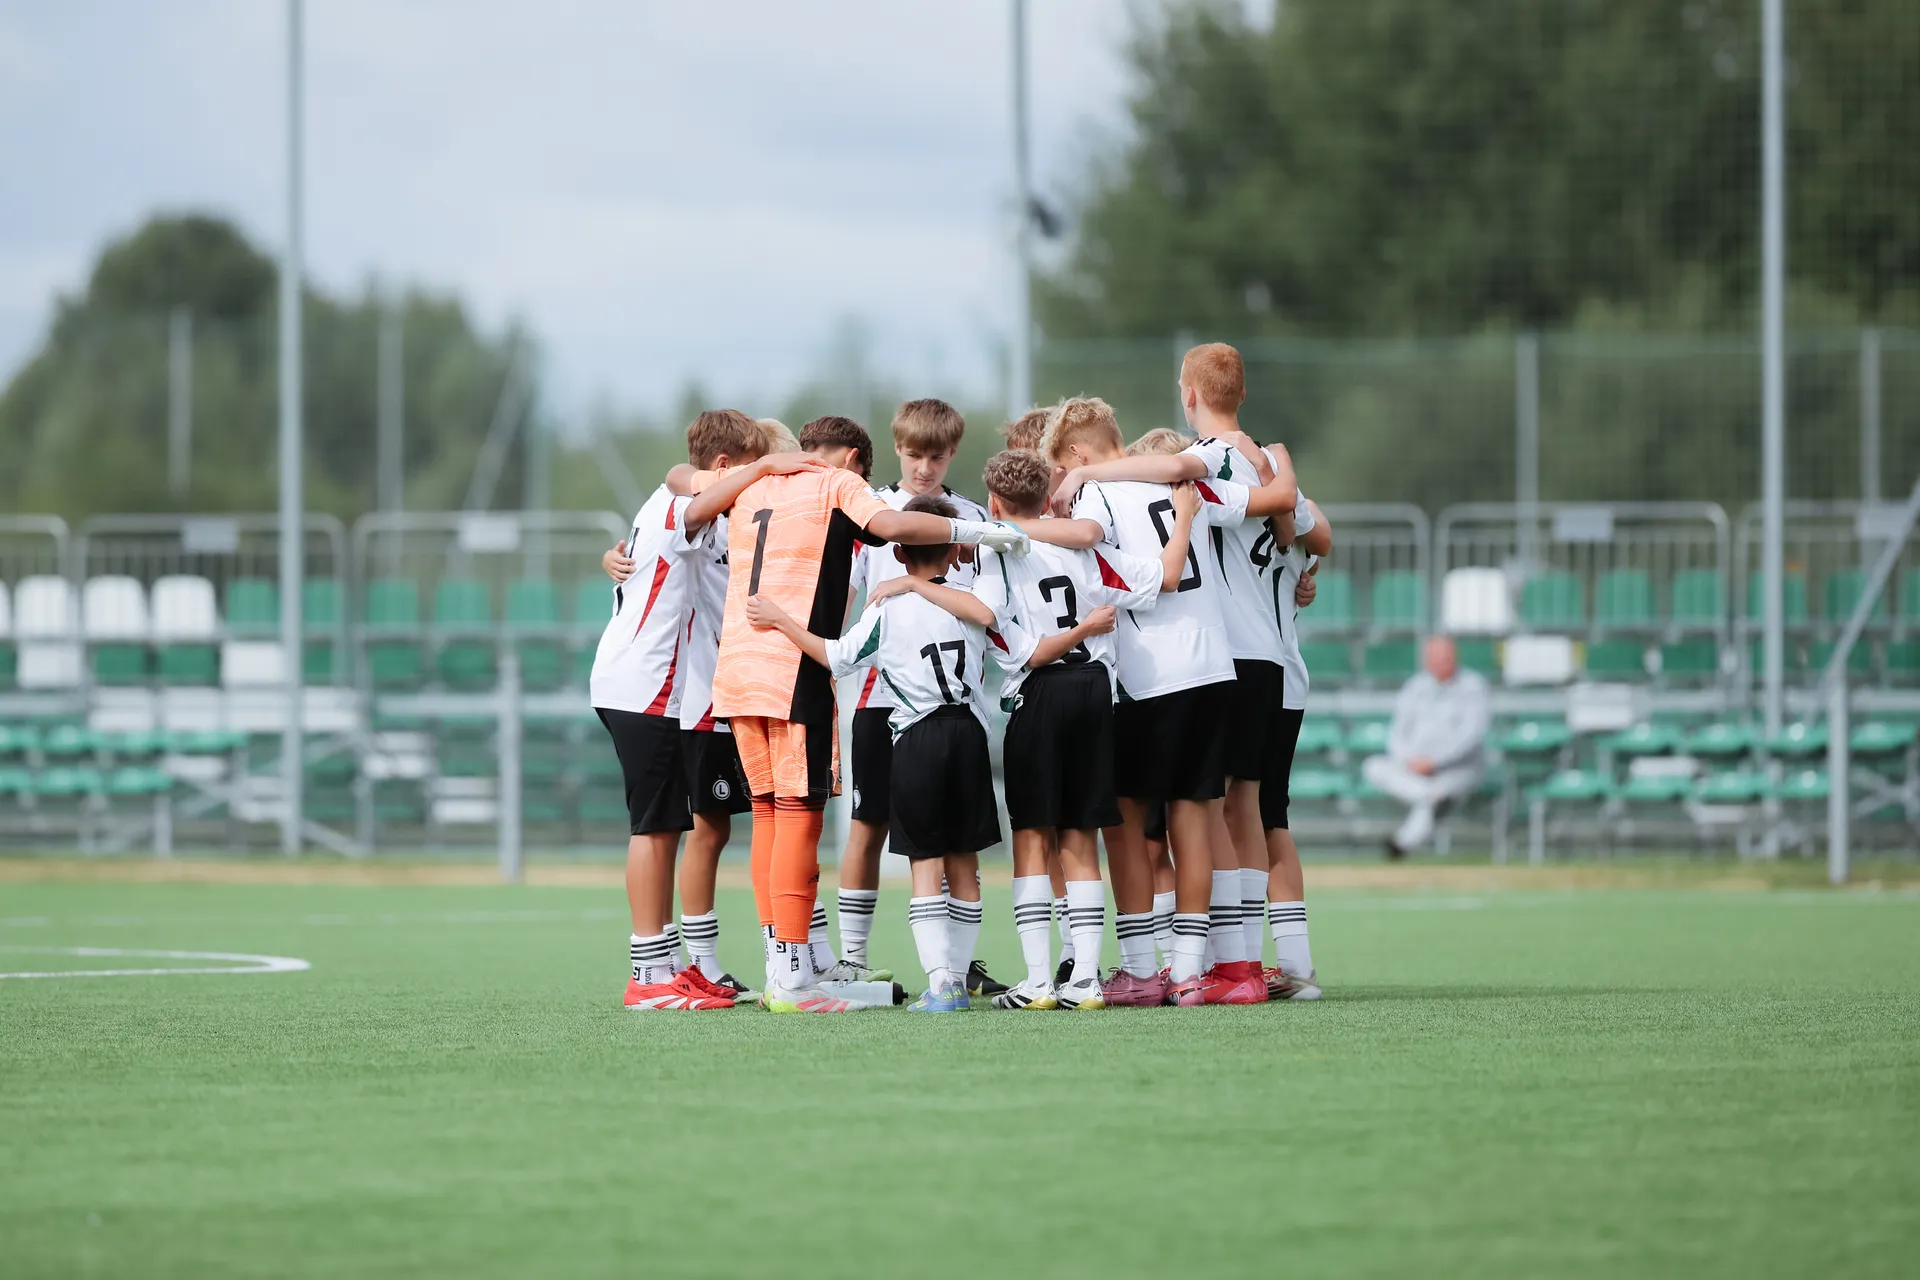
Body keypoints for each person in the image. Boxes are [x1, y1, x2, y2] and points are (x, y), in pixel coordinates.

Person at [682, 416, 1029, 1013]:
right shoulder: (833, 482)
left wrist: (759, 467)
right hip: (793, 669)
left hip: (737, 665)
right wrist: (981, 531)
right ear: (846, 459)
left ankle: (780, 964)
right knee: (797, 817)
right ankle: (794, 978)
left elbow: (682, 489)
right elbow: (891, 525)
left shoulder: (742, 486)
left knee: (766, 817)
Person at [1024, 397, 1297, 1006]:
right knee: (1193, 819)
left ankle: (1143, 970)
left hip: (1149, 675)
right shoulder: (1176, 472)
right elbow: (1255, 505)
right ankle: (1192, 973)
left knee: (1124, 822)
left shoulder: (1096, 495)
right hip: (1213, 663)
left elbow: (1111, 574)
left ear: (1074, 454)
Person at [749, 494, 1016, 1013]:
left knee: (925, 865)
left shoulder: (889, 607)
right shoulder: (968, 600)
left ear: (896, 553)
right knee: (965, 864)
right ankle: (957, 979)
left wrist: (781, 619)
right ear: (954, 550)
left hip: (916, 736)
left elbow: (834, 658)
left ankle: (943, 985)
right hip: (968, 732)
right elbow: (993, 622)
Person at [591, 408, 809, 1011]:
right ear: (721, 468)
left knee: (666, 826)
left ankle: (666, 967)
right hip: (644, 685)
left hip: (652, 687)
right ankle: (648, 975)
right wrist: (764, 465)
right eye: (742, 469)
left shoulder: (684, 504)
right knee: (654, 828)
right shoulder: (676, 503)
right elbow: (682, 488)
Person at [972, 448, 1189, 1010]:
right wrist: (1184, 516)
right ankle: (1087, 980)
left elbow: (991, 622)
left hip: (1040, 687)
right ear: (1050, 498)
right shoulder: (1088, 547)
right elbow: (1163, 578)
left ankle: (1040, 982)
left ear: (995, 502)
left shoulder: (994, 551)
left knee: (1032, 836)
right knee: (1080, 834)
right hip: (1096, 689)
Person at [836, 399, 1007, 998]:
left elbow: (992, 596)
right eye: (914, 454)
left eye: (937, 456)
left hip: (952, 701)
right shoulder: (870, 510)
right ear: (898, 448)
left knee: (957, 838)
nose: (925, 467)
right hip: (879, 694)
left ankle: (960, 964)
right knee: (869, 822)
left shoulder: (970, 517)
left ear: (952, 452)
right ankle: (851, 961)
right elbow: (847, 592)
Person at [1363, 635, 1492, 859]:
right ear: (1426, 660)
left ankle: (1400, 845)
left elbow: (1471, 735)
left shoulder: (1473, 686)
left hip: (1456, 770)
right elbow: (1397, 733)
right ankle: (1427, 795)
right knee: (1373, 766)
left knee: (1435, 796)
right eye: (1436, 658)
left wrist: (1434, 761)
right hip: (1413, 771)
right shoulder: (1415, 687)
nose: (1441, 663)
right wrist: (1408, 761)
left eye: (1446, 657)